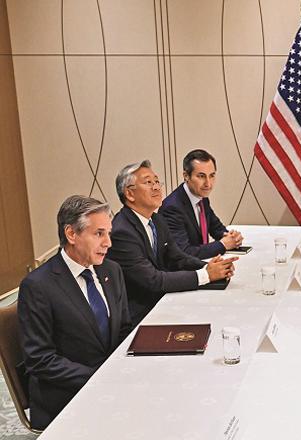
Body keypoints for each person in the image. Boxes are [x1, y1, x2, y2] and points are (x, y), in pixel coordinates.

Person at [18, 196, 132, 429]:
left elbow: (123, 328)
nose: (108, 242)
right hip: (64, 397)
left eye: (108, 233)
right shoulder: (38, 286)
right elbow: (40, 359)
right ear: (71, 234)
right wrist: (99, 379)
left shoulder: (111, 270)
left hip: (111, 385)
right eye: (99, 233)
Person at [107, 160, 237, 326]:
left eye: (156, 181)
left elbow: (178, 257)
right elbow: (153, 280)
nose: (156, 187)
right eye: (148, 182)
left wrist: (211, 266)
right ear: (130, 194)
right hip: (141, 314)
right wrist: (205, 275)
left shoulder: (156, 219)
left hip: (162, 299)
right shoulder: (122, 232)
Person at [159, 149, 244, 259]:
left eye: (212, 175)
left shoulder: (201, 198)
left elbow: (217, 228)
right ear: (186, 176)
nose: (208, 183)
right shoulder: (172, 207)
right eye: (201, 176)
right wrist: (223, 244)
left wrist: (231, 237)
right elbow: (183, 252)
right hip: (185, 271)